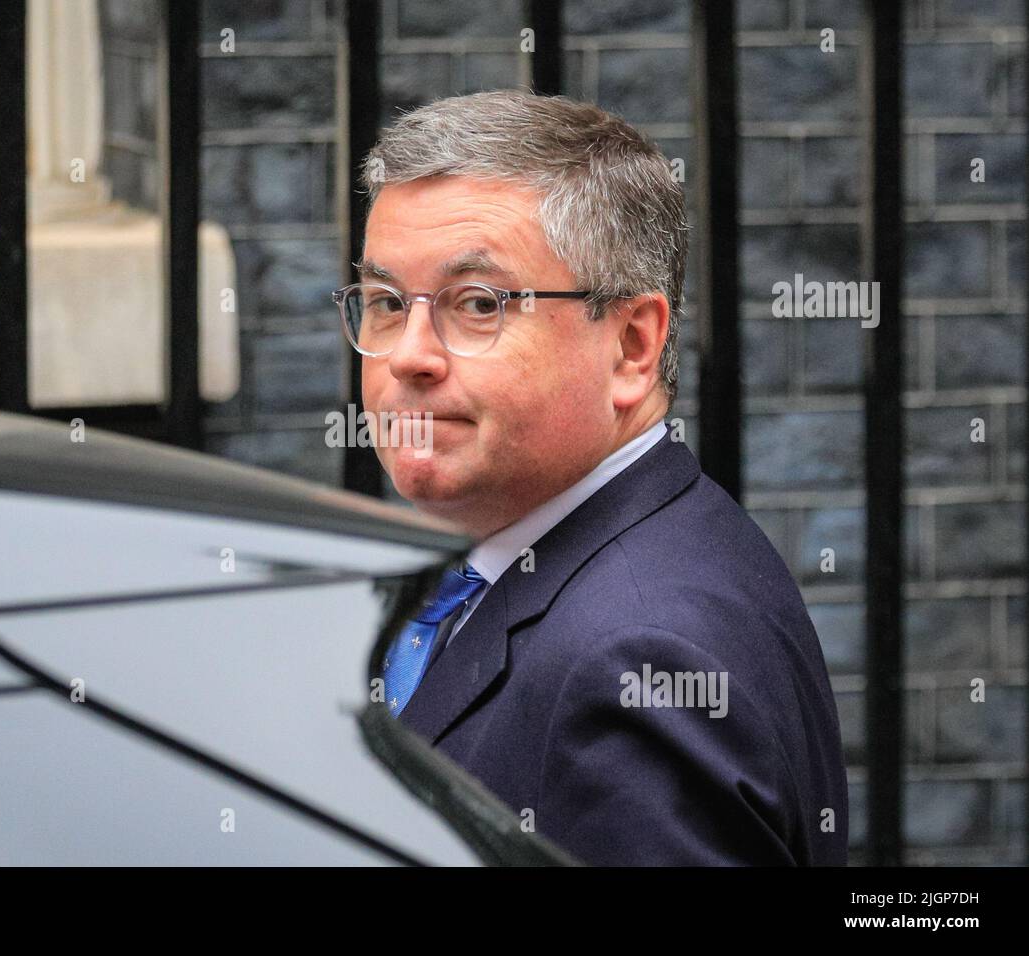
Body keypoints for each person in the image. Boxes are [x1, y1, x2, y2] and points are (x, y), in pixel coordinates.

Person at [340, 89, 848, 865]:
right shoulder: (524, 558)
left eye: (477, 303)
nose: (408, 354)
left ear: (634, 347)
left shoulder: (638, 657)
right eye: (384, 302)